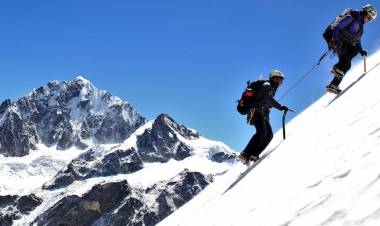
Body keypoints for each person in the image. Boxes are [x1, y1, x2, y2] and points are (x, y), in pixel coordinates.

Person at [238, 70, 289, 165]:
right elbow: (268, 99)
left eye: (282, 81)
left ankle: (254, 155)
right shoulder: (267, 85)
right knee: (262, 132)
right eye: (279, 80)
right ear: (274, 78)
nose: (280, 83)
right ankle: (245, 154)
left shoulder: (271, 88)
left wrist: (268, 113)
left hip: (262, 114)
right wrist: (280, 106)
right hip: (255, 112)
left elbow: (266, 102)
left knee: (269, 135)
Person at [324, 4, 377, 94]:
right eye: (368, 17)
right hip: (335, 37)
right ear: (365, 12)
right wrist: (335, 40)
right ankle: (338, 67)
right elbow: (337, 27)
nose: (368, 20)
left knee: (347, 64)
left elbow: (357, 41)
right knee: (353, 51)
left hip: (341, 40)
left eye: (370, 20)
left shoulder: (360, 28)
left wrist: (361, 50)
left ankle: (333, 85)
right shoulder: (354, 16)